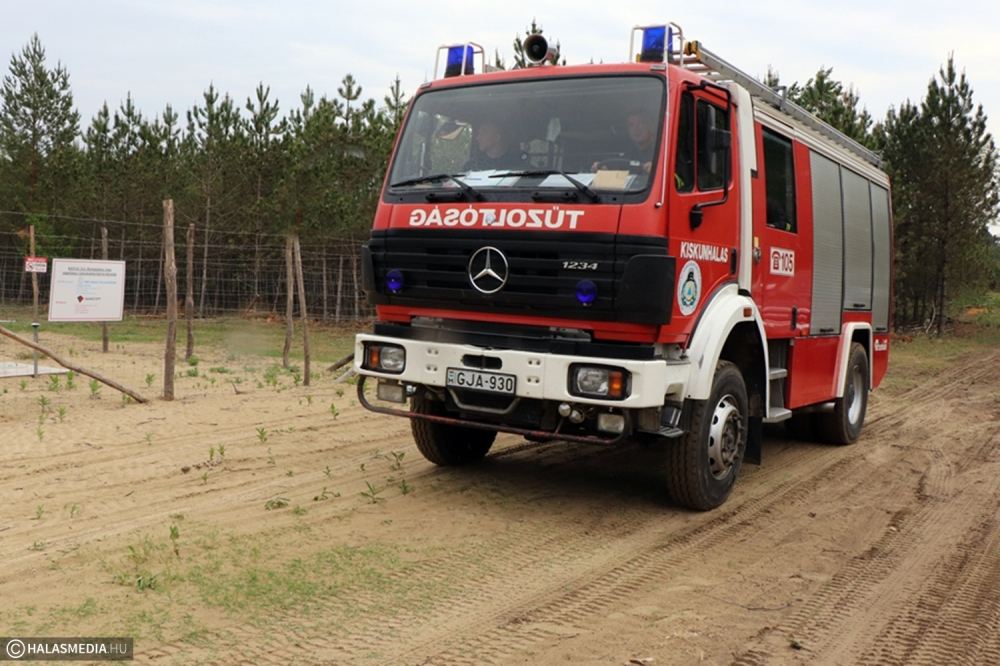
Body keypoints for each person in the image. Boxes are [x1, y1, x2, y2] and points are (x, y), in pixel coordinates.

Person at [592, 109, 656, 174]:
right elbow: (619, 171)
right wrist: (603, 169)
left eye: (641, 123)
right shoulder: (626, 152)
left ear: (651, 127)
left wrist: (656, 168)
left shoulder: (661, 151)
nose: (636, 128)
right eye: (631, 125)